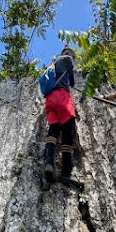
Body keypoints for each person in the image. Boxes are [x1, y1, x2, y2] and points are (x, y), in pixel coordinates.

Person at [44, 46, 77, 183]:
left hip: (50, 98)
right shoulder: (67, 59)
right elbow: (72, 80)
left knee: (53, 130)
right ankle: (65, 173)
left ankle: (50, 163)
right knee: (68, 132)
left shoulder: (53, 64)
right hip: (62, 97)